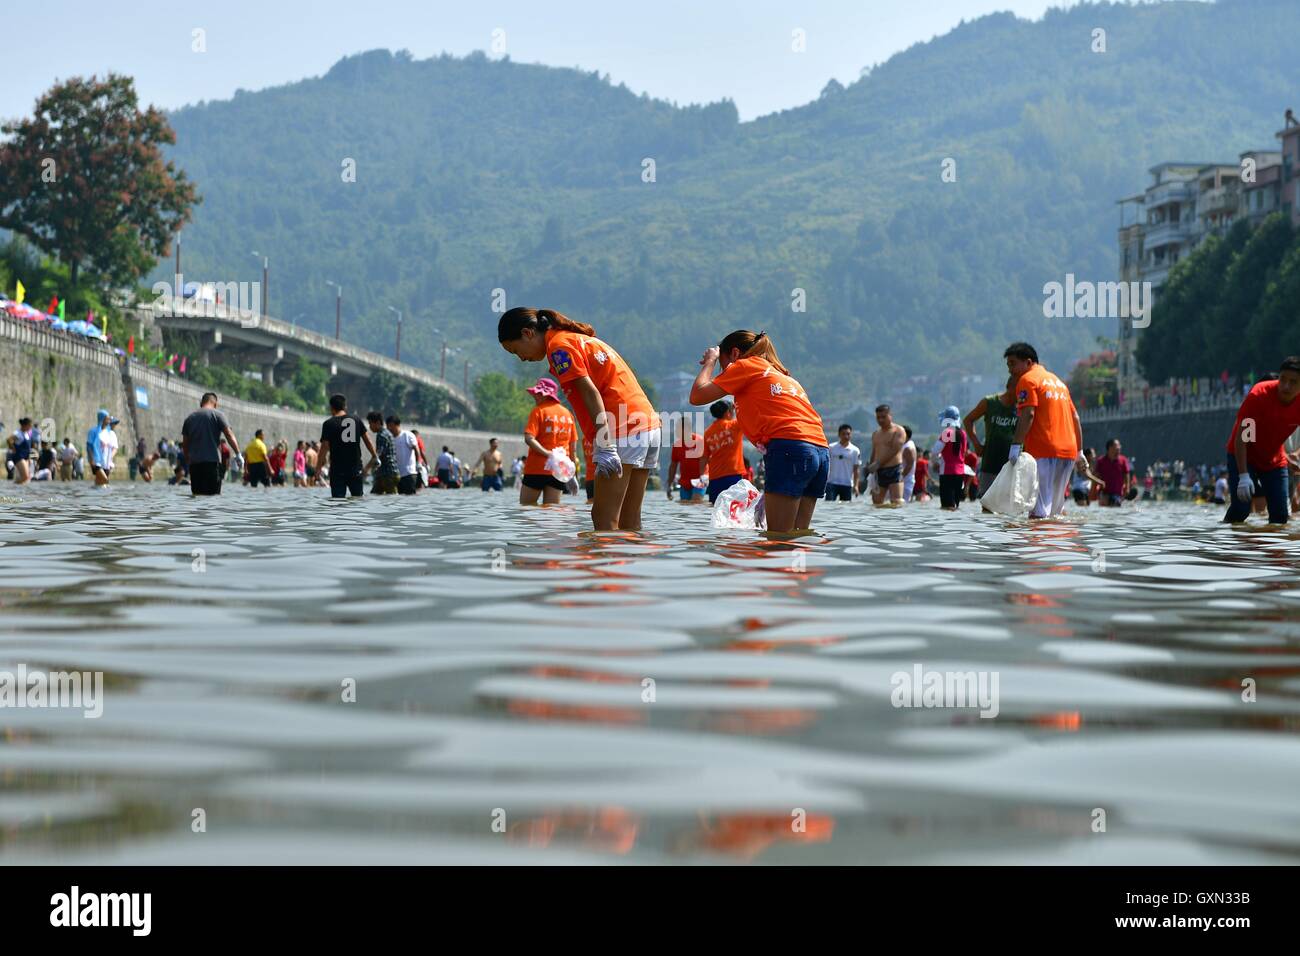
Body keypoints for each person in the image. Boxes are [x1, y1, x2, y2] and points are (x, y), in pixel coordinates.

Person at [499, 307, 660, 532]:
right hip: (647, 425)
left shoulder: (559, 347)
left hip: (622, 428)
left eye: (516, 350)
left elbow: (590, 392)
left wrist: (605, 445)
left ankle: (607, 567)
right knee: (629, 520)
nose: (522, 358)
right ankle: (633, 565)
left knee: (603, 520)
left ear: (527, 333)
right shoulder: (575, 339)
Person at [690, 329, 827, 534]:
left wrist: (710, 360)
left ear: (735, 354)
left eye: (722, 366)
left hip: (790, 448)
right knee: (799, 535)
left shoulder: (744, 365)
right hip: (819, 451)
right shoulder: (780, 373)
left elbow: (697, 396)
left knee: (778, 540)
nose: (724, 374)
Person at [1004, 342, 1084, 519]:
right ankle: (1056, 545)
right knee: (1055, 511)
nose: (1010, 370)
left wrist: (1016, 445)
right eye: (1008, 365)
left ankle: (1038, 547)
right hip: (1068, 454)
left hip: (1043, 451)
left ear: (1028, 362)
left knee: (1038, 513)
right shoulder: (1058, 382)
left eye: (1013, 364)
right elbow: (1076, 418)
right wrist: (1080, 451)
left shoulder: (1027, 380)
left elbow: (1028, 415)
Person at [1222, 357, 1300, 524]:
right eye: (1283, 379)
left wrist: (1296, 456)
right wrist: (1243, 475)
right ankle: (1227, 536)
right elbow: (1243, 439)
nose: (1286, 386)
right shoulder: (1259, 395)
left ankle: (1274, 550)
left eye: (1293, 382)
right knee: (1241, 510)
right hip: (1244, 455)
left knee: (1280, 517)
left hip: (1274, 460)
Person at [519, 376, 578, 506]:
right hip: (558, 471)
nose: (535, 397)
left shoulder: (538, 411)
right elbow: (573, 447)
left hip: (536, 468)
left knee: (526, 509)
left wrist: (548, 454)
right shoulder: (568, 415)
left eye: (538, 394)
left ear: (546, 395)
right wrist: (572, 474)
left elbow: (529, 438)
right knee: (552, 513)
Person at [964, 376, 1019, 499]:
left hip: (1011, 465)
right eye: (1020, 390)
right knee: (987, 502)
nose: (1022, 394)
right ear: (1010, 387)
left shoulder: (1021, 408)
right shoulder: (990, 402)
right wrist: (976, 444)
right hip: (990, 462)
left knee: (1008, 503)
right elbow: (968, 420)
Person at [315, 394, 376, 499]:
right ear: (345, 406)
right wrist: (374, 455)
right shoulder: (356, 420)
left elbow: (324, 447)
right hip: (355, 468)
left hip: (337, 470)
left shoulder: (328, 424)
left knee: (337, 501)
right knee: (357, 499)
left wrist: (318, 468)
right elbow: (367, 440)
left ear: (331, 408)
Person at [181, 392, 240, 496]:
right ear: (215, 404)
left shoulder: (189, 418)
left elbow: (185, 444)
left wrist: (188, 460)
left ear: (201, 403)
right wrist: (238, 454)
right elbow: (229, 435)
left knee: (197, 496)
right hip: (212, 465)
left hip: (195, 466)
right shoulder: (218, 415)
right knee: (213, 498)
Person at [701, 400, 746, 504]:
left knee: (716, 508)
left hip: (715, 478)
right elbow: (745, 415)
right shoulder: (735, 425)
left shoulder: (708, 432)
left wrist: (702, 476)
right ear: (727, 412)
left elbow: (704, 458)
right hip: (733, 474)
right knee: (735, 508)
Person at [867, 405, 907, 505]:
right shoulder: (876, 433)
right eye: (878, 417)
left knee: (896, 501)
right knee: (876, 502)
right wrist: (871, 467)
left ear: (890, 415)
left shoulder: (898, 430)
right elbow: (874, 451)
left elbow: (895, 450)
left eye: (883, 417)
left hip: (894, 469)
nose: (880, 420)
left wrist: (878, 463)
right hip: (879, 471)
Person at [932, 407, 968, 511]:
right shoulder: (963, 434)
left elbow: (935, 451)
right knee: (955, 505)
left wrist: (935, 463)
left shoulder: (947, 432)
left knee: (946, 506)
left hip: (947, 472)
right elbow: (963, 452)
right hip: (960, 473)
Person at [667, 427, 705, 502]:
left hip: (699, 480)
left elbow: (707, 459)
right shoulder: (677, 445)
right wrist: (670, 485)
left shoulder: (700, 441)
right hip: (685, 482)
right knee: (684, 504)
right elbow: (673, 466)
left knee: (696, 502)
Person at [1094, 438, 1135, 506]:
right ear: (1110, 448)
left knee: (1115, 507)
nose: (1119, 448)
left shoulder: (1123, 460)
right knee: (1104, 509)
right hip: (1104, 492)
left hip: (1117, 493)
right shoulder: (1101, 461)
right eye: (1117, 446)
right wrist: (1094, 491)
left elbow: (1126, 474)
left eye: (1119, 446)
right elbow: (1096, 475)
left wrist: (1127, 488)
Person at [825, 424, 860, 502]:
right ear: (839, 434)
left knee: (846, 508)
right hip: (832, 483)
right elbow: (826, 465)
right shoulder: (831, 447)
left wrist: (856, 486)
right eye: (843, 434)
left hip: (847, 484)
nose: (846, 436)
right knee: (829, 505)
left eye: (848, 434)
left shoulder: (855, 450)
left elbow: (856, 470)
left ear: (851, 435)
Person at [389, 416, 422, 495]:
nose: (389, 429)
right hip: (397, 475)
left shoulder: (407, 435)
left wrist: (418, 463)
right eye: (388, 427)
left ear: (397, 425)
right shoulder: (390, 438)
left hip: (409, 474)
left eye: (391, 426)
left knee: (410, 497)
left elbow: (416, 449)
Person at [366, 412, 398, 494]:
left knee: (392, 500)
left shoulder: (382, 435)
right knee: (375, 495)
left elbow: (377, 455)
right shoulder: (386, 433)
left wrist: (366, 469)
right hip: (385, 473)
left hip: (388, 474)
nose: (369, 427)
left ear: (378, 423)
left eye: (370, 424)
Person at [86, 409, 119, 486]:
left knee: (99, 483)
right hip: (96, 462)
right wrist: (91, 460)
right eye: (107, 418)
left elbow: (114, 448)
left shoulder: (110, 433)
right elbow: (89, 447)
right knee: (105, 480)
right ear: (102, 419)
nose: (109, 420)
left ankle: (95, 495)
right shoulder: (93, 431)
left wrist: (110, 457)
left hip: (106, 463)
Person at [12, 418, 32, 484]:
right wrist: (13, 448)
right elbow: (9, 440)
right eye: (29, 425)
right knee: (25, 477)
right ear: (25, 425)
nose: (30, 427)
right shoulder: (18, 433)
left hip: (25, 457)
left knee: (26, 479)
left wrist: (28, 458)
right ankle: (13, 486)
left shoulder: (26, 434)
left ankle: (17, 489)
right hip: (19, 457)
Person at [900, 426, 917, 502]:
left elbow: (909, 465)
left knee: (902, 503)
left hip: (906, 480)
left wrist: (900, 477)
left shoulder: (908, 448)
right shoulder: (909, 444)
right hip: (906, 479)